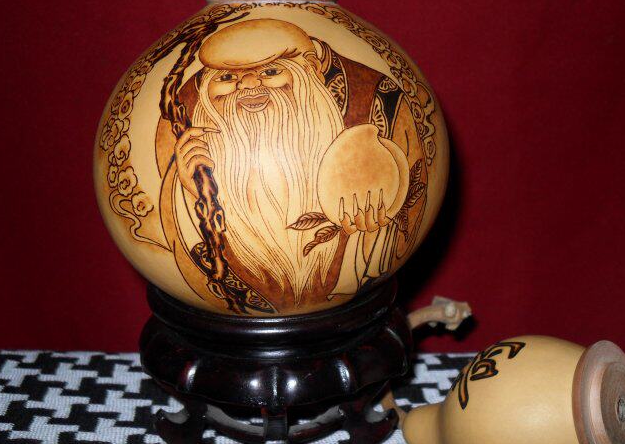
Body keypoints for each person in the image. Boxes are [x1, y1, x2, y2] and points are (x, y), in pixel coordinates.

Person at [155, 19, 427, 315]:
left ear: (308, 71)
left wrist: (373, 231)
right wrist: (194, 193)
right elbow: (175, 245)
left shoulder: (377, 99)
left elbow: (403, 222)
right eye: (228, 77)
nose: (249, 86)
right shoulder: (182, 113)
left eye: (271, 72)